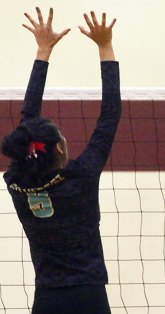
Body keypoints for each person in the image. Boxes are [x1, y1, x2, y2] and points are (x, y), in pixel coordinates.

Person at [1, 7, 120, 314]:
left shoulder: (16, 183)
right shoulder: (81, 178)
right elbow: (110, 116)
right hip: (89, 297)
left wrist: (43, 52)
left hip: (47, 299)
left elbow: (28, 121)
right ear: (61, 150)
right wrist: (105, 47)